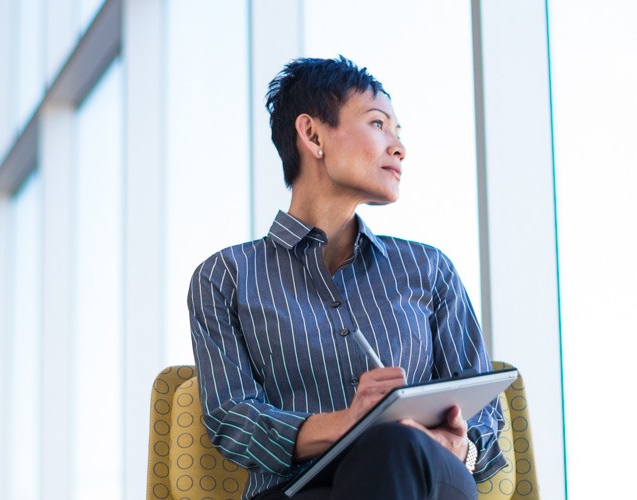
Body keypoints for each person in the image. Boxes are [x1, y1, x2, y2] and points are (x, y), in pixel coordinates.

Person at [188, 56, 506, 500]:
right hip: (299, 491)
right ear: (313, 134)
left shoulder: (429, 268)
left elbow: (485, 413)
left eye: (399, 133)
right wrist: (349, 422)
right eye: (379, 124)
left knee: (394, 449)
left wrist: (454, 444)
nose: (398, 148)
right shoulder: (225, 276)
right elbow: (231, 419)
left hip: (427, 480)